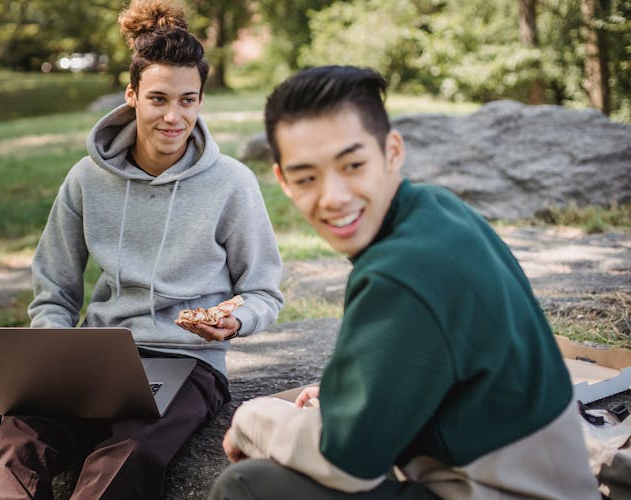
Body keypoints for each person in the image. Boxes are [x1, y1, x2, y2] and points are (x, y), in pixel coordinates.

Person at [208, 65, 599, 500]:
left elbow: (346, 466)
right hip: (544, 476)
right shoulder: (434, 209)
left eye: (353, 164)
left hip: (508, 490)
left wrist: (251, 418)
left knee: (248, 485)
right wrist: (356, 393)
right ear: (282, 180)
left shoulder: (402, 272)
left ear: (392, 152)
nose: (333, 196)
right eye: (307, 178)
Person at [0, 1, 283, 498]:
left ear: (201, 100)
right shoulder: (85, 180)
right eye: (159, 99)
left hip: (187, 361)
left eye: (188, 100)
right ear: (132, 96)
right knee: (14, 444)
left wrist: (236, 321)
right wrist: (54, 358)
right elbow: (54, 287)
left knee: (127, 456)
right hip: (96, 357)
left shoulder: (232, 184)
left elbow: (263, 291)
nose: (174, 115)